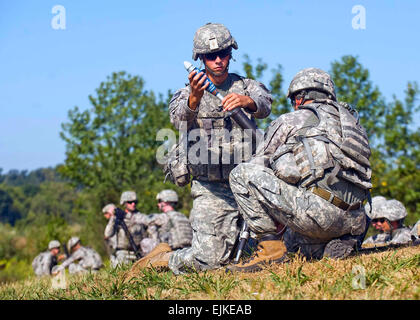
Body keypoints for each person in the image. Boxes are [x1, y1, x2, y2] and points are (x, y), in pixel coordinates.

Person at [135, 23, 272, 274]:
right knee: (209, 262)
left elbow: (265, 105)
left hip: (249, 183)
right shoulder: (186, 92)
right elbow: (178, 120)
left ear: (231, 53)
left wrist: (247, 102)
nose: (218, 60)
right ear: (200, 59)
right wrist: (194, 98)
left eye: (224, 53)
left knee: (260, 252)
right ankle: (162, 260)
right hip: (211, 187)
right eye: (211, 56)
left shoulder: (245, 85)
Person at [225, 68, 373, 272]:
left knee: (241, 174)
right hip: (357, 219)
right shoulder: (352, 123)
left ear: (299, 97)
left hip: (321, 215)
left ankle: (270, 249)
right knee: (295, 247)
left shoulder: (291, 120)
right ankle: (339, 243)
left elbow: (257, 165)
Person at [104, 191, 151, 267]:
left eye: (135, 202)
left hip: (140, 253)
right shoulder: (118, 217)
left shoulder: (142, 217)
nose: (133, 204)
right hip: (123, 253)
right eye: (130, 202)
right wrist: (113, 217)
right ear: (124, 203)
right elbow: (108, 234)